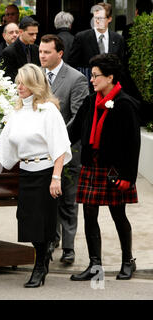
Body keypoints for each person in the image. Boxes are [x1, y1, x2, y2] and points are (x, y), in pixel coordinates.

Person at [0, 64, 72, 288]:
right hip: (26, 173)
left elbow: (60, 146)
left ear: (35, 83)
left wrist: (56, 178)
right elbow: (2, 144)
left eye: (23, 82)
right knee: (26, 219)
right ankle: (43, 255)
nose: (19, 87)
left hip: (45, 173)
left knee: (41, 221)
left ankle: (40, 266)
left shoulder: (48, 110)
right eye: (17, 82)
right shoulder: (17, 112)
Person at [68, 54, 140, 281]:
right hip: (92, 166)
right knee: (89, 214)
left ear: (110, 77)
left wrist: (128, 176)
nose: (92, 80)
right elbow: (74, 131)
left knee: (118, 214)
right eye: (92, 75)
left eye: (96, 76)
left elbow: (133, 145)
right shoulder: (91, 102)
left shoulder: (125, 104)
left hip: (115, 170)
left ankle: (128, 261)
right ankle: (94, 265)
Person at [39, 34, 89, 264]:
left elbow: (79, 115)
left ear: (60, 53)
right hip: (41, 150)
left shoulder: (76, 79)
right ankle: (52, 240)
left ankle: (69, 248)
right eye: (40, 51)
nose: (42, 56)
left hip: (68, 148)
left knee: (68, 199)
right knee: (49, 199)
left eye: (47, 52)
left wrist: (58, 139)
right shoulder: (36, 76)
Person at [67, 3, 124, 85]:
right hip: (89, 88)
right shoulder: (82, 38)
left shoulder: (118, 39)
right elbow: (72, 65)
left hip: (111, 88)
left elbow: (121, 66)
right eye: (95, 17)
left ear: (109, 19)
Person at [2, 16, 40, 81]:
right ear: (20, 32)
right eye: (31, 34)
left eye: (36, 34)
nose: (35, 37)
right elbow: (9, 77)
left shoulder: (37, 49)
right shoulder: (9, 51)